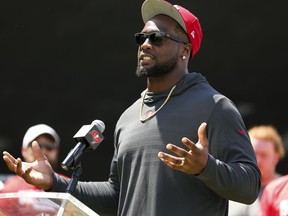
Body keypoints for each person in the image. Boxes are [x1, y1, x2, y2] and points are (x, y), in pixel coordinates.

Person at [2, 0, 261, 215]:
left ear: (185, 50)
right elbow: (117, 196)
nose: (146, 44)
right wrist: (53, 182)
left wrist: (207, 167)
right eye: (142, 37)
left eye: (157, 38)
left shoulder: (215, 106)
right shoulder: (129, 116)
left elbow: (250, 187)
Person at [0, 124, 68, 215]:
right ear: (24, 150)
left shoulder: (70, 186)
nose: (43, 151)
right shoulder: (10, 188)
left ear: (57, 151)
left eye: (49, 147)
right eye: (37, 146)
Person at [228, 125, 286, 216]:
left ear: (276, 158)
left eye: (264, 155)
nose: (257, 160)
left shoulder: (284, 191)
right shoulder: (231, 188)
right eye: (253, 153)